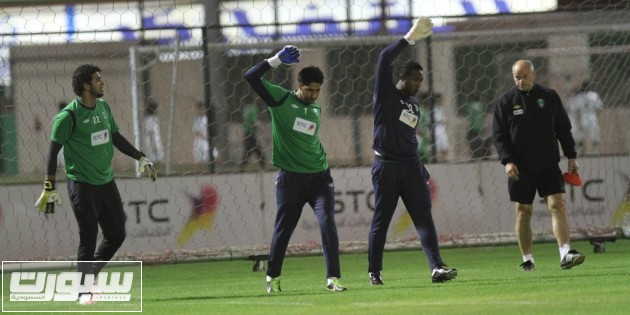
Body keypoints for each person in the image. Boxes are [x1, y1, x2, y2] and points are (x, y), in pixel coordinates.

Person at [35, 64, 156, 304]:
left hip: (106, 181)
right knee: (88, 236)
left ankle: (89, 276)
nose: (103, 82)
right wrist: (49, 186)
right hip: (82, 184)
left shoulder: (103, 107)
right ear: (86, 85)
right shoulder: (67, 116)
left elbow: (115, 137)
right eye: (98, 79)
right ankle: (83, 291)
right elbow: (52, 152)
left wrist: (140, 156)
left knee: (117, 234)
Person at [244, 45, 346, 293]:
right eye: (309, 89)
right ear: (298, 86)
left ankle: (333, 279)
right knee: (283, 230)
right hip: (291, 180)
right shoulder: (280, 98)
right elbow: (250, 76)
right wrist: (276, 60)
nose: (313, 94)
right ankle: (272, 277)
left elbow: (308, 139)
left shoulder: (315, 108)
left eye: (317, 91)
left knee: (327, 223)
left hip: (320, 177)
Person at [368, 17, 457, 286]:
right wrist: (409, 39)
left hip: (411, 167)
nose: (419, 83)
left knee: (423, 219)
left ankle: (437, 268)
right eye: (415, 79)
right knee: (381, 221)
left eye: (421, 80)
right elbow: (384, 57)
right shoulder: (386, 95)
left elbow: (408, 136)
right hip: (386, 167)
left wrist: (421, 169)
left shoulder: (413, 103)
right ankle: (374, 271)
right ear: (402, 78)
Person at [492, 60, 585, 272]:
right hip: (520, 167)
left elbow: (563, 128)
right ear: (513, 77)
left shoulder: (549, 97)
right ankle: (528, 259)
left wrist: (571, 155)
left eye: (525, 76)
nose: (521, 81)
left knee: (557, 205)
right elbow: (499, 136)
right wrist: (507, 161)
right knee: (523, 211)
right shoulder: (505, 101)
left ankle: (565, 253)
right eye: (517, 77)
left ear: (534, 75)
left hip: (548, 163)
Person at [567, 80, 603, 156]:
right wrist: (596, 116)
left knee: (580, 138)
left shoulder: (578, 96)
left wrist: (577, 122)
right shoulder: (594, 95)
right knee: (595, 137)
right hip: (592, 118)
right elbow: (600, 108)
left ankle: (579, 153)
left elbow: (576, 111)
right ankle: (595, 153)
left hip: (581, 118)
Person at [462, 92, 491, 159]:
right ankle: (483, 155)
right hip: (481, 127)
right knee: (481, 141)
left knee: (471, 141)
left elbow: (466, 113)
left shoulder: (469, 106)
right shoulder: (482, 106)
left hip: (473, 127)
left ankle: (474, 155)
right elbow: (484, 115)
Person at [239, 96, 265, 170]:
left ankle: (241, 166)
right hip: (249, 133)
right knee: (257, 149)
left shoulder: (247, 108)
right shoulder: (254, 109)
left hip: (247, 132)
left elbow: (244, 118)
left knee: (248, 150)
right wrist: (264, 131)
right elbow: (256, 122)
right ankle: (263, 164)